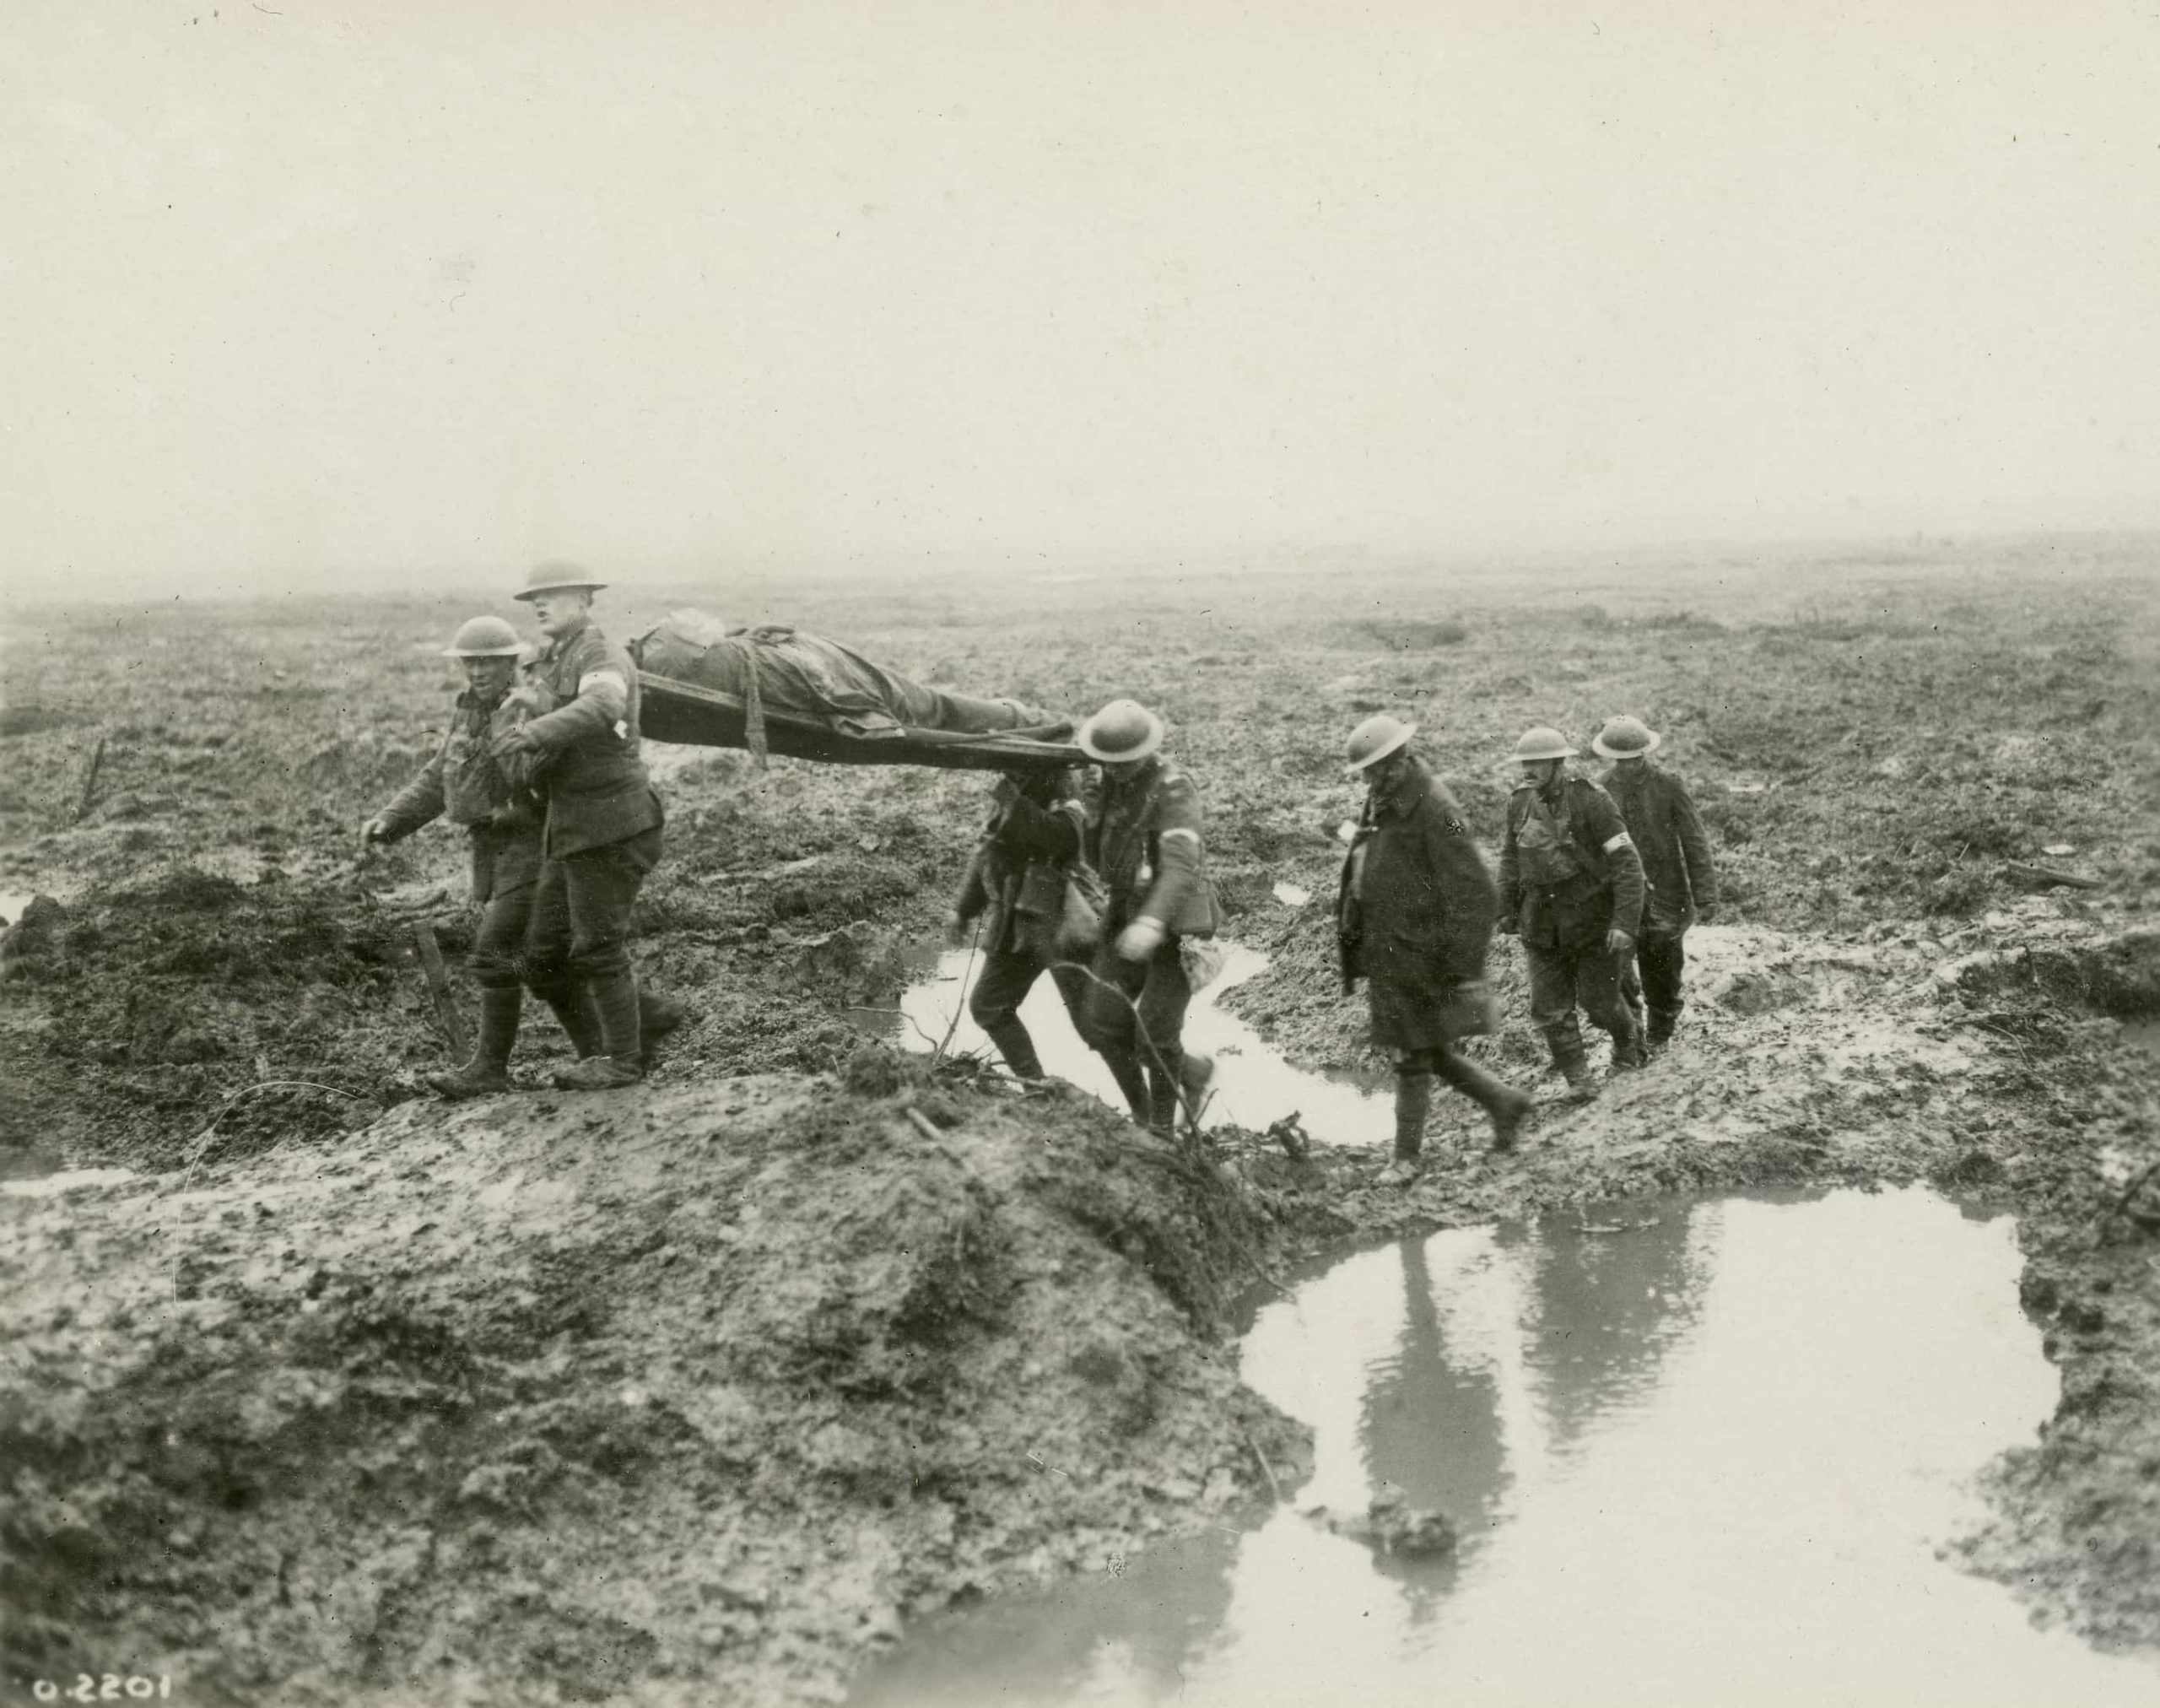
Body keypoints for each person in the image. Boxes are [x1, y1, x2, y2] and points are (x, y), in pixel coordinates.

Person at [364, 615, 684, 1097]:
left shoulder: (529, 706)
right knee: (542, 962)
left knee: (499, 955)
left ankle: (493, 1069)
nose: (477, 672)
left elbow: (545, 763)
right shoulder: (472, 711)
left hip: (540, 848)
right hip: (504, 852)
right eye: (469, 663)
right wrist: (393, 818)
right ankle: (629, 1029)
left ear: (513, 662)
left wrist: (525, 730)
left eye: (489, 662)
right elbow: (443, 774)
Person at [1001, 699, 1218, 1135]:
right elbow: (1096, 855)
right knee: (1100, 1024)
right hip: (1123, 916)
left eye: (1124, 763)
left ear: (1146, 752)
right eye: (1108, 763)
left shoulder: (1174, 788)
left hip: (1175, 926)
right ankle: (1188, 1076)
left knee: (1155, 1033)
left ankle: (1160, 1128)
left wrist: (1152, 923)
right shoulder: (1110, 787)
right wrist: (1090, 800)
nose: (1116, 770)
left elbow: (1179, 866)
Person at [491, 561, 667, 1091]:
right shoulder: (557, 658)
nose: (540, 605)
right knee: (542, 957)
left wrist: (536, 729)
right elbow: (572, 706)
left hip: (611, 825)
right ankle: (613, 1044)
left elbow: (606, 702)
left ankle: (625, 1060)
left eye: (553, 596)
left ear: (585, 601)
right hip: (572, 830)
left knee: (596, 947)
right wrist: (538, 705)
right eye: (535, 599)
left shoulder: (598, 652)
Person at [1337, 715, 1534, 1184]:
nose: (1369, 779)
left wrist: (1462, 968)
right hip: (1393, 950)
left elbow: (1477, 891)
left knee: (1412, 1055)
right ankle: (1506, 1104)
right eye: (1366, 772)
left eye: (1376, 770)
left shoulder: (1437, 809)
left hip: (1425, 953)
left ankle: (1405, 1160)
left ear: (1399, 761)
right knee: (1425, 1048)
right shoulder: (1384, 799)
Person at [1496, 726, 1648, 1098]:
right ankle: (1580, 1080)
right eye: (1524, 763)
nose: (1528, 770)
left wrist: (1624, 923)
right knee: (1549, 1009)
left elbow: (1627, 863)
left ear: (1557, 763)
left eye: (1537, 763)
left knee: (1599, 1005)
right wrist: (1505, 910)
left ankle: (1628, 1044)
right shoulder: (1518, 803)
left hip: (1591, 921)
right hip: (1541, 924)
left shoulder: (1591, 801)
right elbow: (1510, 859)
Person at [944, 769, 1092, 1081]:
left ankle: (1177, 1082)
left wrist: (1016, 804)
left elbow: (1065, 839)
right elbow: (990, 846)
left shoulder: (1062, 781)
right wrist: (963, 909)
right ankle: (1036, 1087)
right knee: (989, 1005)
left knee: (1095, 1025)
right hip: (1017, 921)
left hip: (1057, 917)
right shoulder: (1015, 781)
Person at [1592, 715, 1719, 1048]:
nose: (1627, 767)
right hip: (1619, 896)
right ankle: (1630, 1041)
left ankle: (1660, 1034)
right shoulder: (1600, 789)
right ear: (1611, 758)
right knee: (1617, 971)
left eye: (1634, 760)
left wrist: (1705, 895)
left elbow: (1694, 841)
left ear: (1645, 754)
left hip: (1666, 896)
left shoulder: (1669, 785)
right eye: (1620, 761)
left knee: (1662, 971)